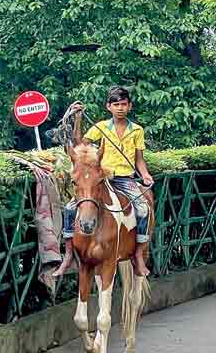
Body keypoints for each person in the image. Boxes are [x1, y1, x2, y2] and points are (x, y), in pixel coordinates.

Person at [54, 86, 154, 277]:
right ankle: (68, 254)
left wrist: (145, 174)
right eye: (116, 104)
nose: (120, 108)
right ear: (109, 107)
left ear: (129, 106)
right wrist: (78, 119)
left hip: (125, 179)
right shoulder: (100, 127)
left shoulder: (137, 130)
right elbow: (79, 144)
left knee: (143, 208)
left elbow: (139, 158)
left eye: (123, 104)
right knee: (69, 208)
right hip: (103, 179)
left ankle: (139, 254)